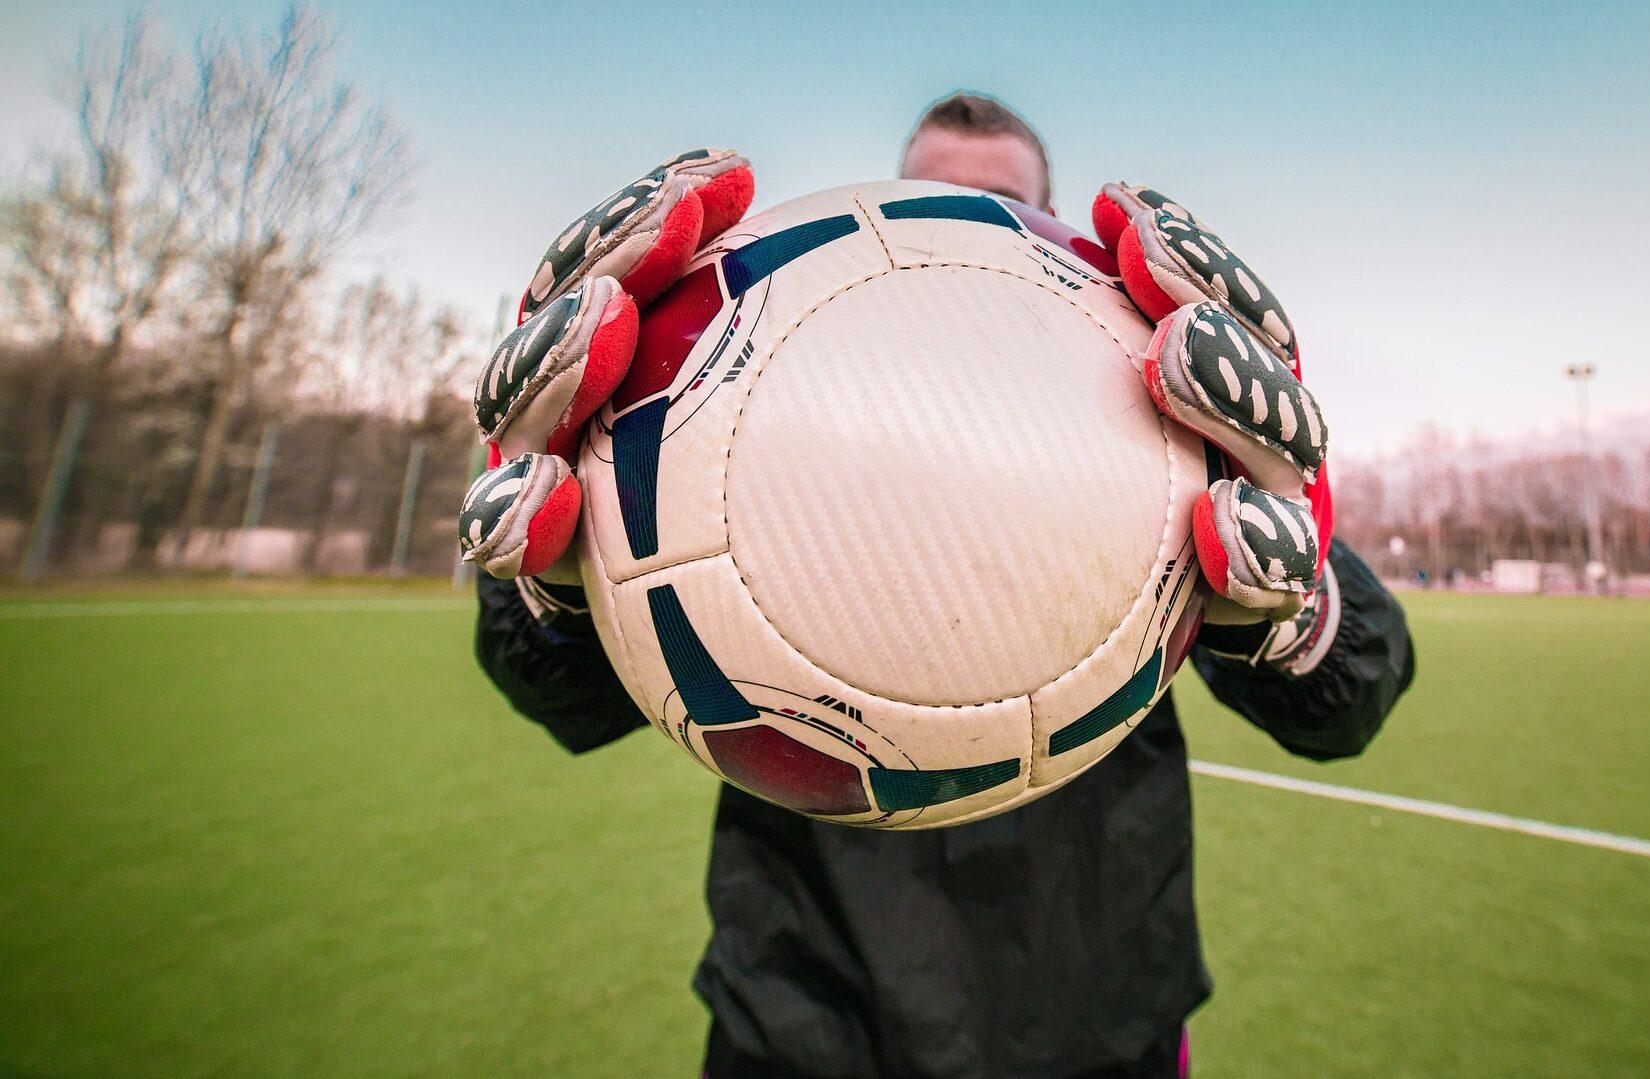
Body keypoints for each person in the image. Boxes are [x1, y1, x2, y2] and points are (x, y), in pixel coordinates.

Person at [459, 92, 1416, 1077]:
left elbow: (1347, 701)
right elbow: (555, 690)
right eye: (929, 194)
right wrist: (558, 579)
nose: (953, 228)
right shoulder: (746, 409)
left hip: (1094, 1023)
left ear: (1043, 230)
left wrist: (1295, 607)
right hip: (799, 1024)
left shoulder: (1158, 417)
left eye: (993, 203)